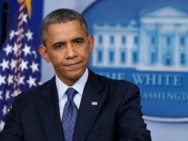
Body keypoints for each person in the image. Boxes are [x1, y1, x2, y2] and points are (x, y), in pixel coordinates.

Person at [0, 8, 151, 141]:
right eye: (59, 46)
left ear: (90, 43)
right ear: (45, 53)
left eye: (78, 42)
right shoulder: (25, 104)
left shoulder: (121, 94)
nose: (71, 54)